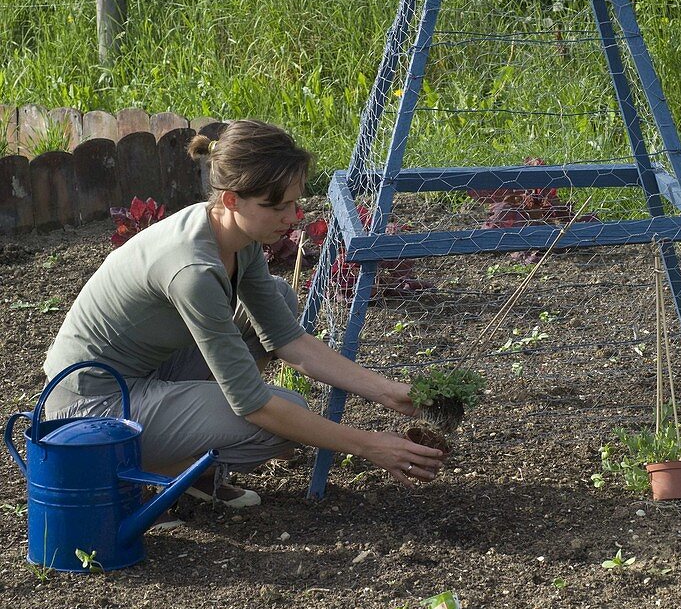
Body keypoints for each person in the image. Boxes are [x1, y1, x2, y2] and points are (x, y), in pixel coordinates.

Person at [42, 119, 444, 513]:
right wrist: (368, 444)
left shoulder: (232, 234)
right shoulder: (193, 271)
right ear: (233, 199)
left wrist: (389, 391)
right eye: (279, 206)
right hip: (89, 413)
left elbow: (290, 341)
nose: (294, 216)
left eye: (295, 201)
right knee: (278, 425)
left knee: (280, 299)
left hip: (144, 372)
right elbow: (254, 404)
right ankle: (138, 472)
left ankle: (181, 454)